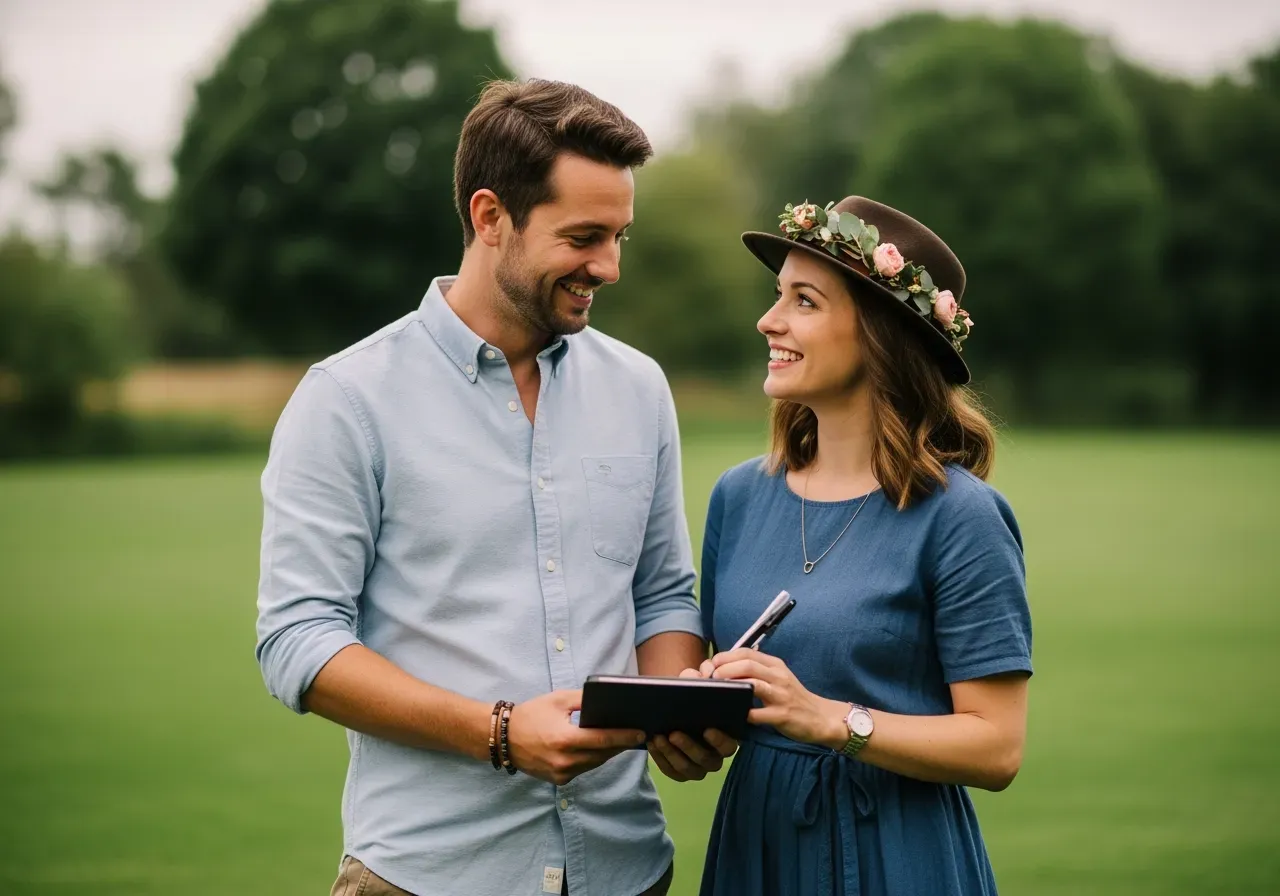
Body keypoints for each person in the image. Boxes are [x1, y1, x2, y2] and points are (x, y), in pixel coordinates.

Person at [254, 78, 732, 896]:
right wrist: (499, 733)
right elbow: (298, 640)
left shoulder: (639, 388)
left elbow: (661, 595)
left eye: (621, 236)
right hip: (427, 876)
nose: (609, 267)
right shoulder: (346, 399)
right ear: (489, 217)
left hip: (628, 871)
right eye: (584, 236)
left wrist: (674, 709)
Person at [694, 196, 1034, 895]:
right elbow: (723, 691)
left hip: (896, 854)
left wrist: (826, 719)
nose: (770, 319)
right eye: (776, 295)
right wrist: (695, 712)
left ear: (878, 333)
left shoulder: (961, 518)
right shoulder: (738, 496)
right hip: (755, 845)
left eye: (805, 300)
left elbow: (997, 746)